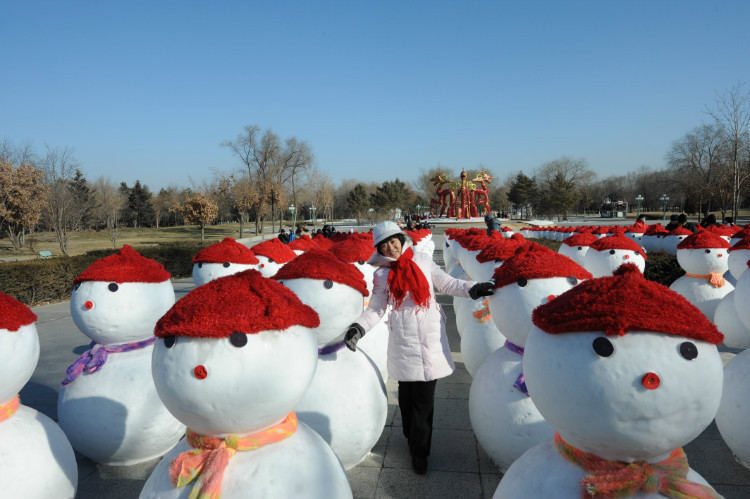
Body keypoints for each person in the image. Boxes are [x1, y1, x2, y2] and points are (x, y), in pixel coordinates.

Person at [343, 221, 494, 475]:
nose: (391, 247)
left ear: (402, 240)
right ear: (379, 248)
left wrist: (474, 288)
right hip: (402, 340)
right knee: (405, 398)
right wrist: (358, 327)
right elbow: (377, 307)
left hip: (429, 337)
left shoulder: (423, 260)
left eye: (394, 241)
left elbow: (448, 284)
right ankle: (412, 435)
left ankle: (420, 453)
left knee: (423, 402)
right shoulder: (382, 273)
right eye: (385, 244)